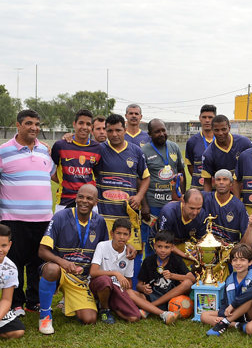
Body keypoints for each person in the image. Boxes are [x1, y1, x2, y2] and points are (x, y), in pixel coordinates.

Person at [0, 109, 55, 315]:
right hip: (14, 218)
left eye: (37, 124)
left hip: (44, 219)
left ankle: (33, 300)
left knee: (38, 261)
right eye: (29, 123)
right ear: (18, 125)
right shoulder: (2, 151)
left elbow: (54, 176)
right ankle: (15, 301)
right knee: (15, 261)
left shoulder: (44, 151)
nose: (34, 128)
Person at [37, 185, 109, 334]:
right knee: (51, 269)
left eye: (89, 198)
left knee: (89, 319)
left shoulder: (100, 222)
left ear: (96, 202)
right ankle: (45, 315)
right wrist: (61, 262)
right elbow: (42, 251)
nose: (84, 201)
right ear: (76, 198)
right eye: (81, 197)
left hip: (81, 279)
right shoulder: (60, 217)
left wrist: (127, 247)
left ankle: (70, 300)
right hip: (61, 272)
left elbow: (107, 250)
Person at [88, 218, 176, 325]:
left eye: (125, 234)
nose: (121, 237)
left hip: (117, 290)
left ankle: (111, 305)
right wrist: (116, 273)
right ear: (112, 234)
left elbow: (128, 281)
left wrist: (124, 291)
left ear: (129, 236)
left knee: (134, 317)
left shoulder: (130, 253)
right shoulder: (102, 246)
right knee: (106, 281)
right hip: (100, 285)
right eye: (118, 233)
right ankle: (104, 309)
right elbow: (93, 272)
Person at [95, 113, 150, 277]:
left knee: (133, 254)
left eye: (118, 130)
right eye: (110, 131)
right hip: (105, 213)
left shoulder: (136, 151)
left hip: (128, 215)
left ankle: (130, 292)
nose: (114, 134)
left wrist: (139, 196)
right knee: (103, 255)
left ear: (125, 129)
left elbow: (146, 178)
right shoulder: (99, 150)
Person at [141, 118, 184, 257]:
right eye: (157, 131)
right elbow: (140, 179)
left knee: (171, 239)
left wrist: (181, 197)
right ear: (150, 134)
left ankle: (170, 272)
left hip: (172, 204)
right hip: (153, 204)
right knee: (152, 240)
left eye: (163, 130)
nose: (161, 134)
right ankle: (151, 271)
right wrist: (144, 205)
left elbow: (181, 172)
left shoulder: (174, 147)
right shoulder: (144, 151)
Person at [201, 243, 252, 336]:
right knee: (204, 316)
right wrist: (222, 315)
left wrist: (233, 305)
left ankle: (225, 323)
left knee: (251, 296)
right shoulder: (230, 279)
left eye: (242, 260)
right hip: (235, 314)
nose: (238, 263)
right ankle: (237, 325)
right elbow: (224, 301)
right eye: (235, 260)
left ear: (250, 262)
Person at [50, 109, 102, 212]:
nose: (84, 127)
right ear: (74, 124)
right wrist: (65, 182)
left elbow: (95, 173)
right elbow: (50, 170)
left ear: (91, 127)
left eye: (88, 124)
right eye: (81, 123)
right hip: (64, 201)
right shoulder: (60, 145)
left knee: (90, 228)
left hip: (89, 201)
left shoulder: (97, 148)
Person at [136, 230, 195, 317]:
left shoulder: (176, 260)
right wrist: (143, 288)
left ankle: (149, 308)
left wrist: (172, 276)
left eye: (166, 247)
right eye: (159, 246)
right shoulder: (148, 260)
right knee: (129, 292)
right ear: (154, 246)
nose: (163, 250)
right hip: (153, 295)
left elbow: (192, 279)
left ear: (172, 248)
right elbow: (138, 285)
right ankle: (157, 310)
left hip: (172, 298)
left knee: (188, 283)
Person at [200, 115, 252, 191]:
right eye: (216, 130)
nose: (220, 133)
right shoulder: (208, 154)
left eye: (224, 129)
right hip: (223, 194)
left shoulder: (244, 143)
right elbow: (207, 182)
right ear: (212, 130)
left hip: (245, 191)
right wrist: (207, 200)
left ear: (229, 128)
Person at [157, 189, 207, 260]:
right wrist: (184, 256)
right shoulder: (169, 212)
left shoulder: (202, 214)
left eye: (198, 208)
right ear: (183, 202)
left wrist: (198, 253)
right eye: (192, 208)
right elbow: (164, 242)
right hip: (163, 242)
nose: (195, 212)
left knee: (203, 258)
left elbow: (200, 239)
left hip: (184, 242)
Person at [203, 169, 249, 244]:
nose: (221, 182)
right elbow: (190, 196)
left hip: (230, 248)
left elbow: (245, 233)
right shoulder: (206, 198)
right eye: (218, 179)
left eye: (225, 179)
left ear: (231, 183)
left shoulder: (238, 206)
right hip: (208, 245)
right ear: (214, 183)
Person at [185, 105, 216, 192]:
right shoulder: (192, 141)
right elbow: (191, 167)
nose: (207, 120)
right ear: (199, 118)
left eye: (210, 117)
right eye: (204, 117)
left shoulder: (220, 140)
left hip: (217, 190)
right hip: (198, 189)